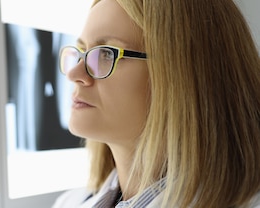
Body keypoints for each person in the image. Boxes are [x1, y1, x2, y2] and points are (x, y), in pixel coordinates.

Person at [51, 0, 260, 207]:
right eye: (81, 51)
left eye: (106, 53)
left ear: (182, 74)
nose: (74, 73)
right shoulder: (67, 203)